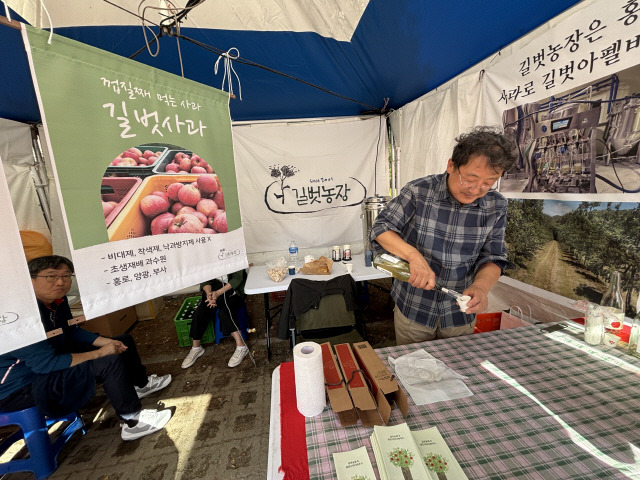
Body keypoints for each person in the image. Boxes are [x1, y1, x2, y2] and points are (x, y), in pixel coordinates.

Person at [0, 255, 173, 441]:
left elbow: (71, 331)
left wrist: (106, 343)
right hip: (21, 388)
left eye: (66, 275)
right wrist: (100, 352)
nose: (60, 282)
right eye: (51, 276)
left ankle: (141, 385)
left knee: (122, 341)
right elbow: (46, 364)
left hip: (47, 365)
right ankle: (132, 421)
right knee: (107, 361)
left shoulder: (58, 301)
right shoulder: (19, 316)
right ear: (30, 279)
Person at [370, 126, 517, 345]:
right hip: (415, 306)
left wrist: (481, 288)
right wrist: (414, 257)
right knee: (413, 368)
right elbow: (381, 228)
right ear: (451, 165)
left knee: (456, 371)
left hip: (459, 314)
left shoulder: (496, 205)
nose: (476, 190)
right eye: (470, 178)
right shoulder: (419, 192)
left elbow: (494, 257)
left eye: (487, 183)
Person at [181, 270, 250, 369]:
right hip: (213, 291)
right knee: (199, 312)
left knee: (225, 311)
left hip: (233, 291)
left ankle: (241, 346)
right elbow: (205, 280)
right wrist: (210, 294)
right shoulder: (205, 258)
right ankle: (196, 348)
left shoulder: (234, 256)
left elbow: (237, 279)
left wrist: (218, 293)